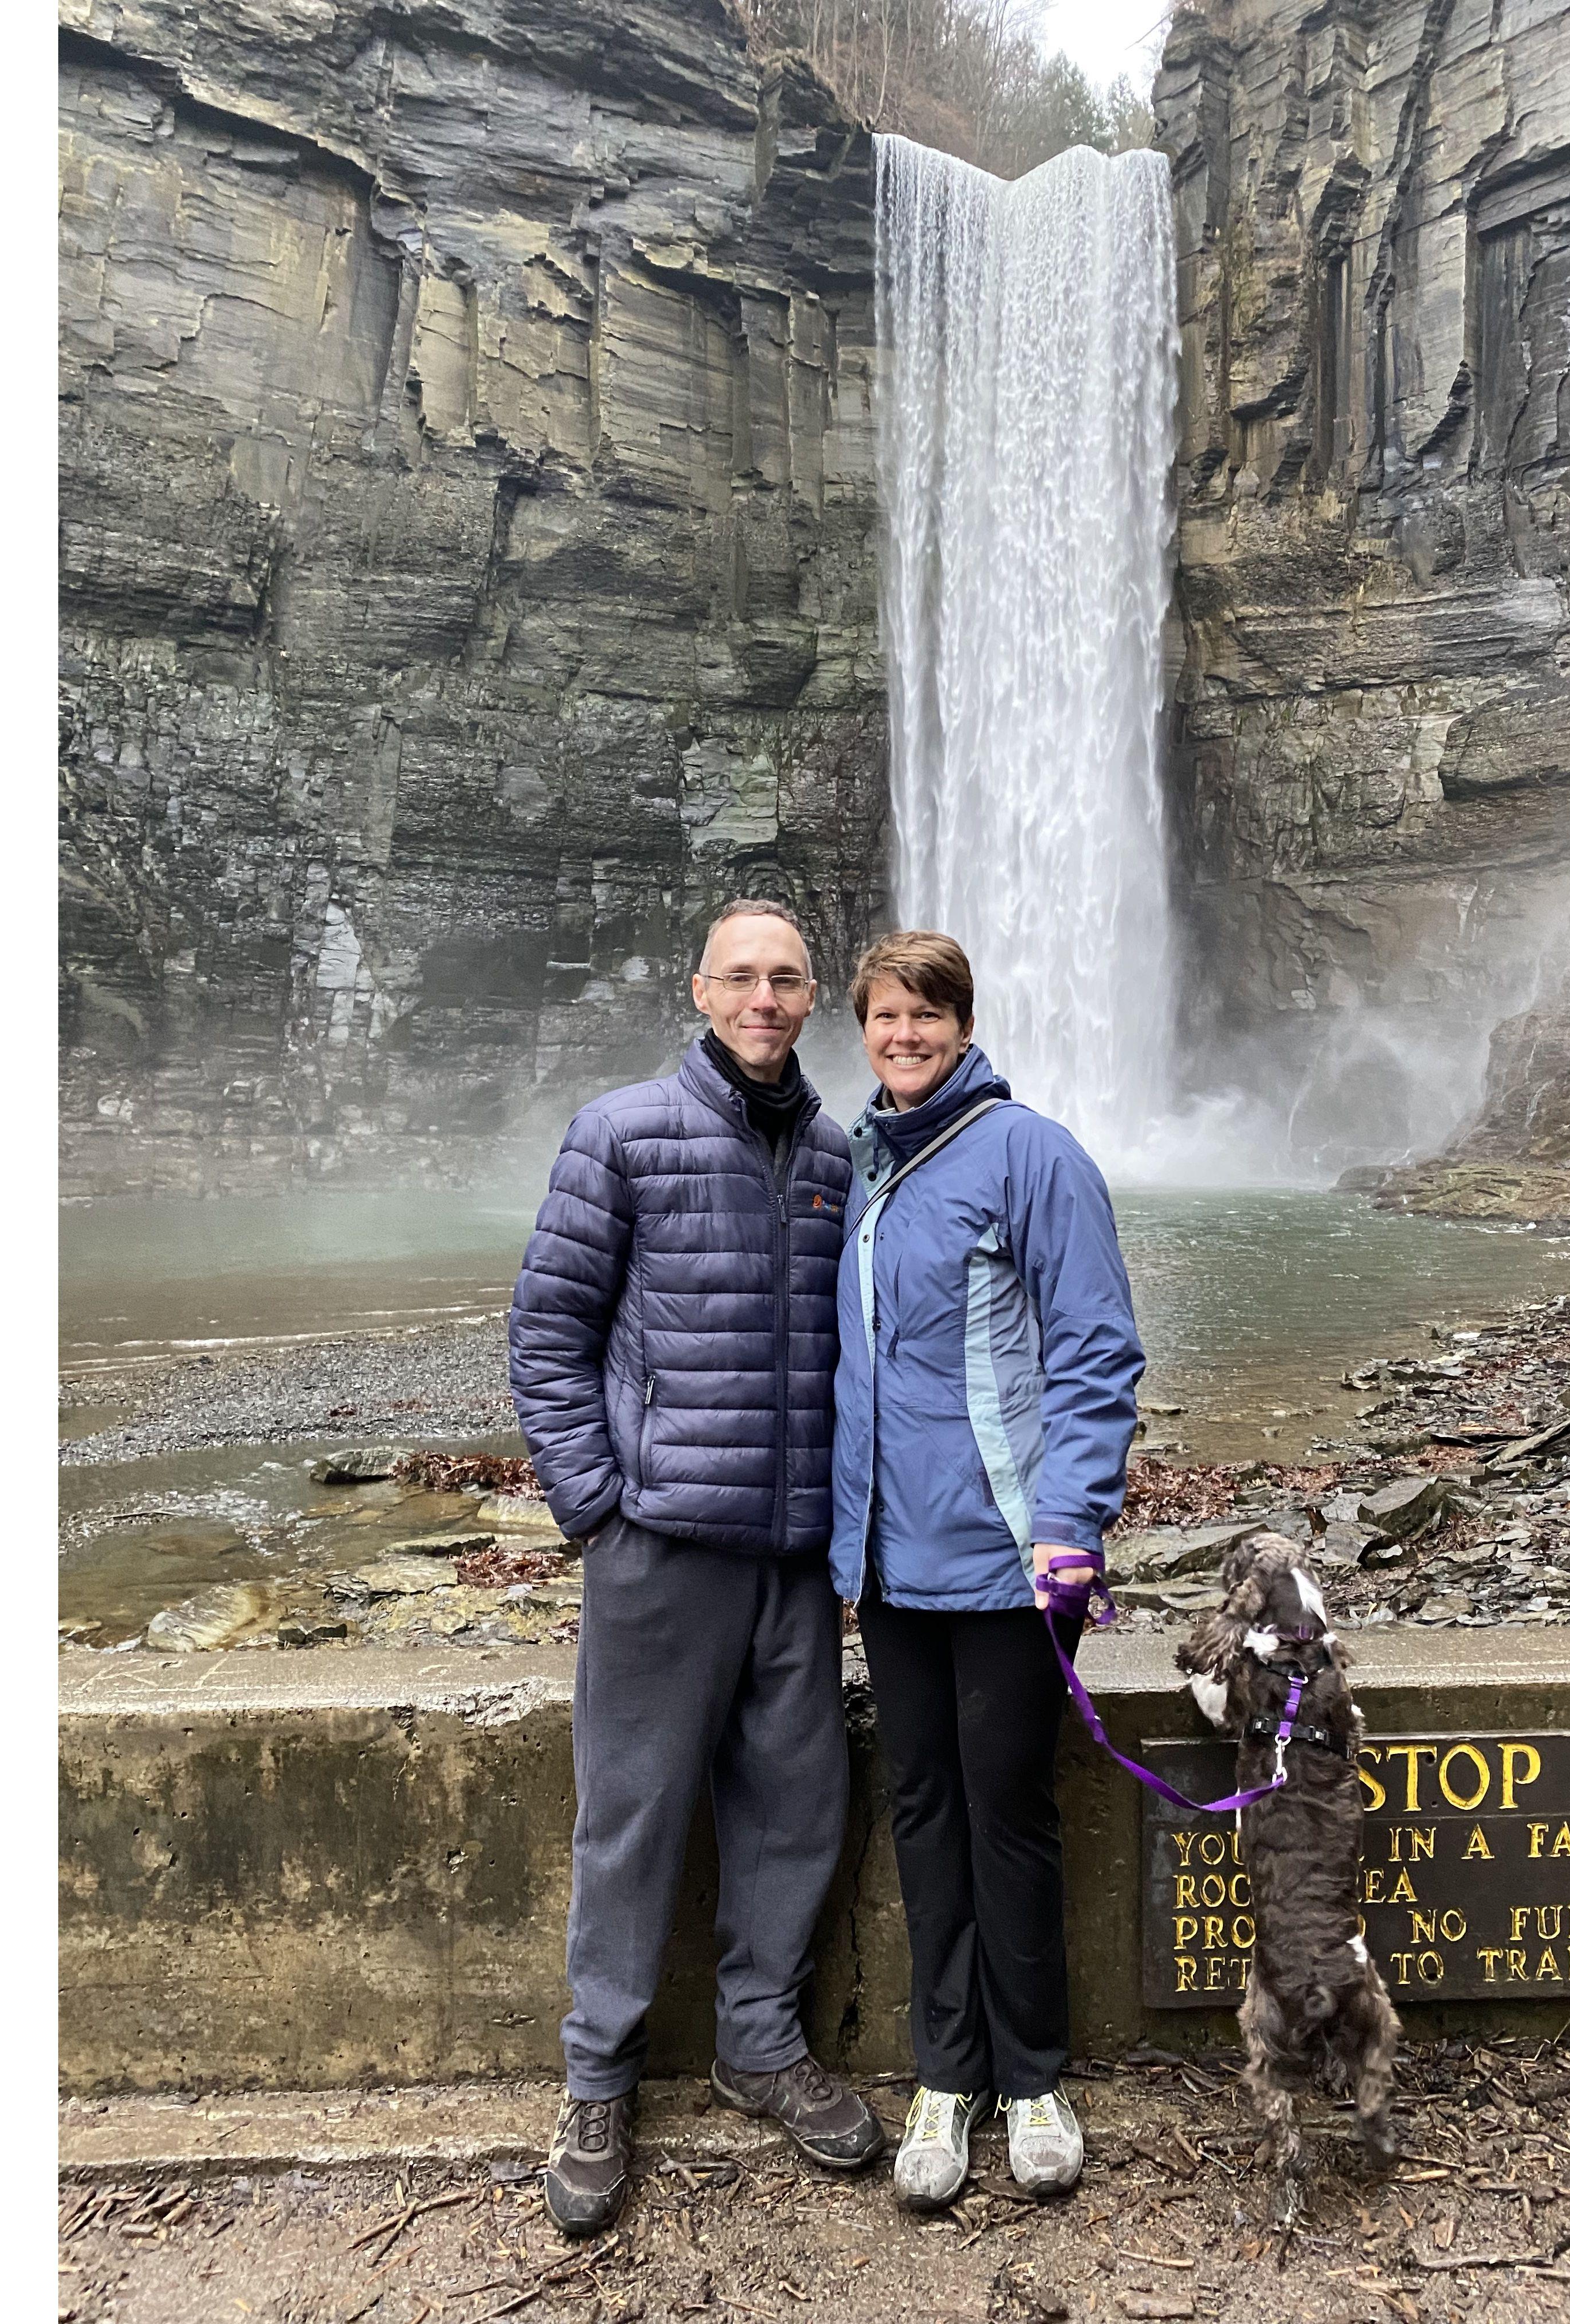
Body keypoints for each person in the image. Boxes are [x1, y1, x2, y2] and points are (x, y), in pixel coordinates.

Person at [510, 898, 887, 2239]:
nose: (768, 1000)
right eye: (744, 979)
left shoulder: (839, 1155)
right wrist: (597, 1510)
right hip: (660, 1545)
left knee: (796, 1807)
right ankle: (598, 2079)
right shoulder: (621, 1131)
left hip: (791, 1555)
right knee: (632, 1814)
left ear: (813, 1000)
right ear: (701, 992)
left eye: (789, 980)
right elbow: (546, 1333)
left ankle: (760, 2044)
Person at [829, 931, 1145, 2209]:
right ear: (862, 1029)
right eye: (885, 1016)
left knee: (1008, 1815)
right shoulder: (867, 1163)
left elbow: (1096, 1350)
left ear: (964, 1022)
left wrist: (1072, 1519)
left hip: (1013, 1563)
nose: (904, 1035)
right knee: (923, 1811)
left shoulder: (1032, 1155)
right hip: (891, 1564)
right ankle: (944, 2077)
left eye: (927, 1014)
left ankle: (1033, 2080)